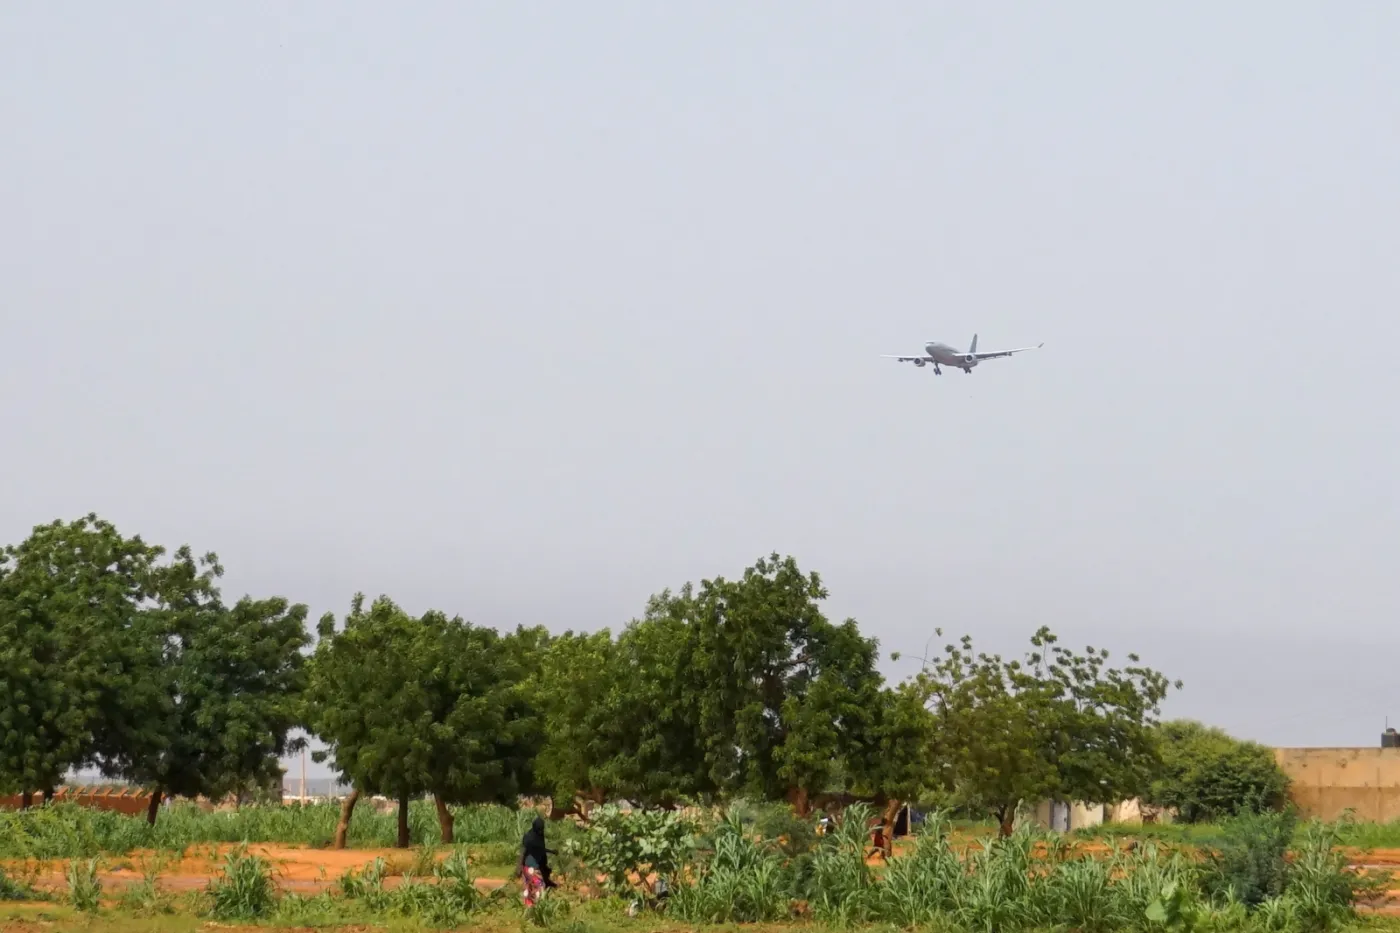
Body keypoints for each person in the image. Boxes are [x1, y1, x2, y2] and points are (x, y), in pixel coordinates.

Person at [519, 815, 557, 890]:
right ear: (535, 828)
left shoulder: (539, 835)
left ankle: (545, 884)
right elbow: (524, 851)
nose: (540, 831)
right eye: (539, 830)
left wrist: (551, 851)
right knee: (538, 886)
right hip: (531, 863)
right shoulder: (529, 838)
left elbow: (541, 848)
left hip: (539, 862)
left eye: (541, 829)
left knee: (541, 882)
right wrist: (520, 866)